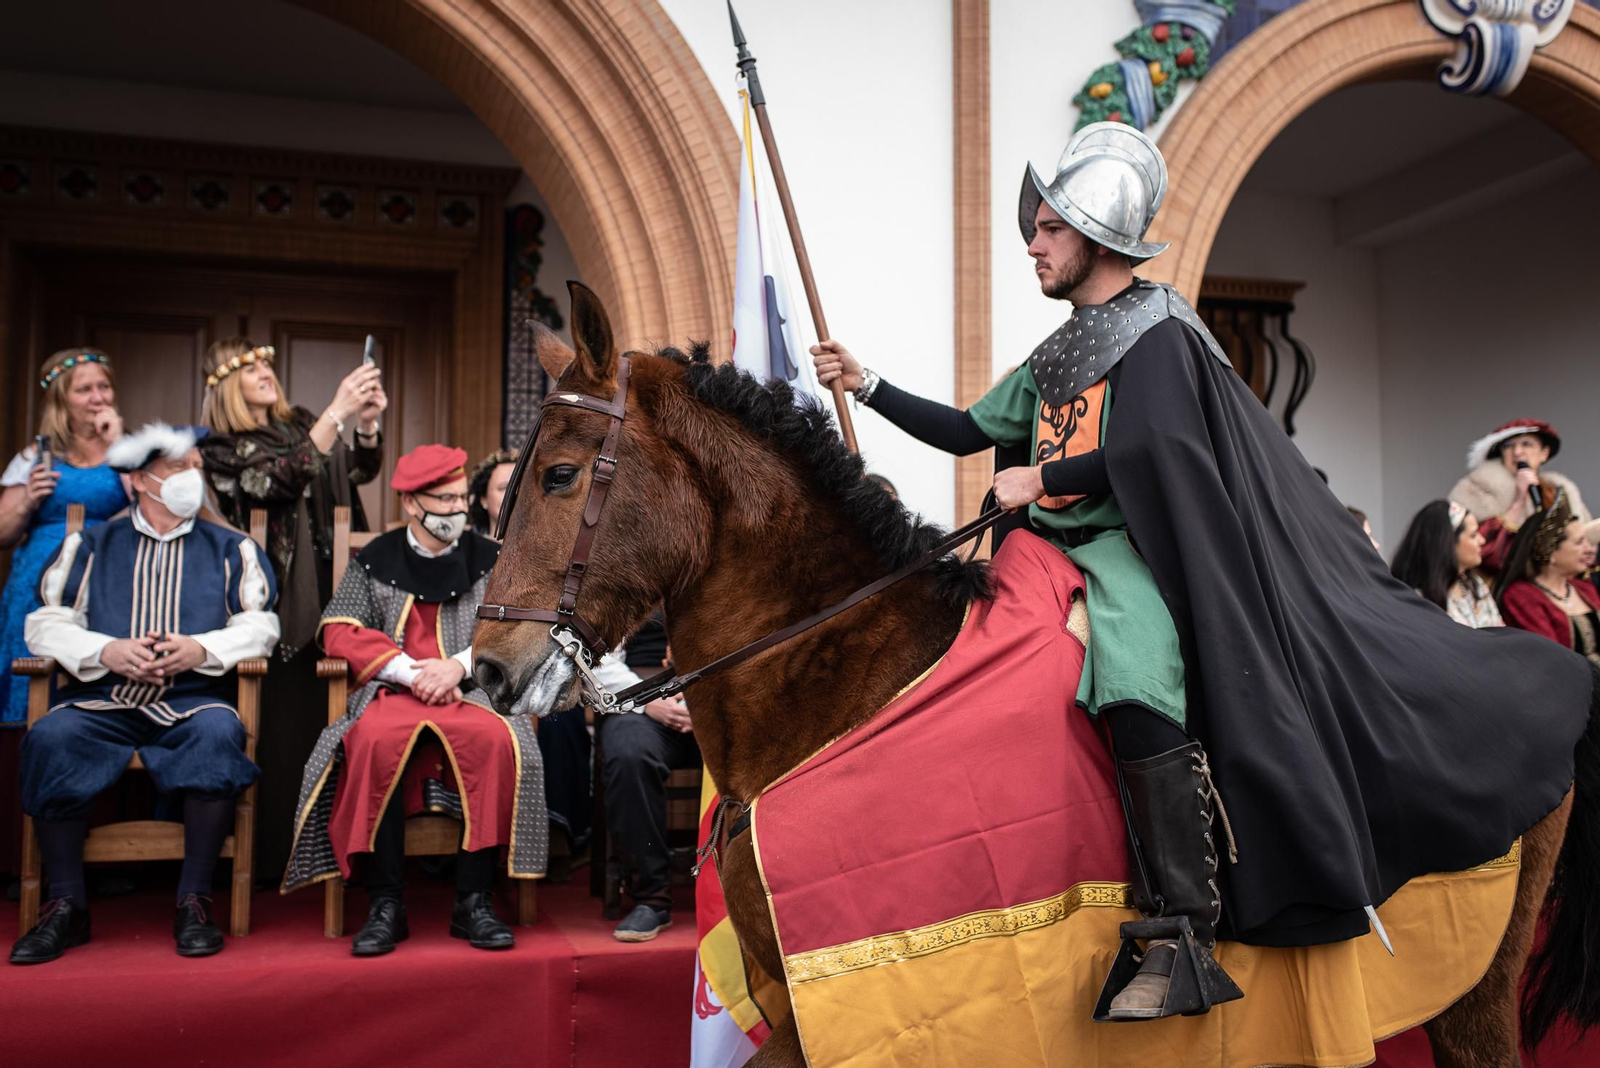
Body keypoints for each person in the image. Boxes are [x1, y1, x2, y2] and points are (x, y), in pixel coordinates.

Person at [812, 122, 1592, 1021]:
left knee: (1135, 669)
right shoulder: (1056, 353)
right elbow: (965, 430)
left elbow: (1167, 449)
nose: (1033, 241)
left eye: (1051, 228)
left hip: (1129, 552)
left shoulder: (1159, 330)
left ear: (1096, 238)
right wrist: (866, 383)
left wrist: (1047, 475)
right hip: (1041, 555)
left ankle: (1179, 922)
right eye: (1036, 227)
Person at [9, 424, 278, 964]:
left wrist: (198, 649)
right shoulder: (89, 544)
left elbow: (261, 626)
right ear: (138, 480)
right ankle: (65, 905)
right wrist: (106, 650)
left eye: (196, 467)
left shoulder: (233, 548)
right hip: (102, 700)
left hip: (193, 700)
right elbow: (44, 624)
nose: (192, 478)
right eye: (179, 468)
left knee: (219, 733)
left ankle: (194, 900)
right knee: (51, 737)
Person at [280, 444, 544, 956]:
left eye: (460, 497)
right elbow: (338, 629)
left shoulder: (491, 559)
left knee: (495, 740)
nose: (455, 509)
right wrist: (405, 669)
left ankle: (474, 902)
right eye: (441, 500)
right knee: (374, 741)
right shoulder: (376, 558)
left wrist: (458, 667)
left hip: (471, 694)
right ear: (409, 503)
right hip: (393, 691)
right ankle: (386, 903)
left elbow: (517, 629)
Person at [197, 337, 386, 878]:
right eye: (250, 364)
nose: (264, 370)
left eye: (266, 362)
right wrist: (337, 413)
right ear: (225, 382)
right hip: (277, 600)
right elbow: (278, 478)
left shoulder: (301, 421)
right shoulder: (221, 449)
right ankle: (274, 860)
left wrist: (365, 423)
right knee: (285, 730)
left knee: (342, 724)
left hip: (337, 585)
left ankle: (341, 856)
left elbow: (352, 471)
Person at [1, 350, 128, 728]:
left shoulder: (131, 450)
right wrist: (27, 498)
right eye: (84, 389)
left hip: (109, 576)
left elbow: (155, 508)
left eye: (103, 387)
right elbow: (3, 532)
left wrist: (121, 448)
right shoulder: (35, 456)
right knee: (32, 667)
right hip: (38, 580)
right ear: (61, 399)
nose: (98, 398)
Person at [599, 613, 697, 942]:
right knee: (629, 755)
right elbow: (594, 654)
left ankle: (748, 888)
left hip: (720, 694)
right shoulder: (621, 569)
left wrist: (710, 702)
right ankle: (652, 898)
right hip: (639, 698)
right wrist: (645, 699)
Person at [1450, 419, 1589, 573]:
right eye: (1508, 446)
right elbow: (1484, 551)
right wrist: (1519, 500)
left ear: (1544, 453)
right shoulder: (1478, 488)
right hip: (1503, 584)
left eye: (1526, 444)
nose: (1517, 452)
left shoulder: (1558, 490)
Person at [1497, 493, 1600, 662]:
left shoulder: (1584, 588)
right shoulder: (1522, 597)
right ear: (1551, 553)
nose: (1589, 549)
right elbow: (1551, 659)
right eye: (1579, 542)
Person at [1390, 500, 1503, 628]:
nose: (1482, 540)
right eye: (1473, 535)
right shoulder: (1416, 598)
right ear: (1448, 544)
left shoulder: (1476, 585)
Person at [467, 449, 518, 537]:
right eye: (504, 488)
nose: (515, 493)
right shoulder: (469, 548)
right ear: (483, 499)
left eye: (520, 487)